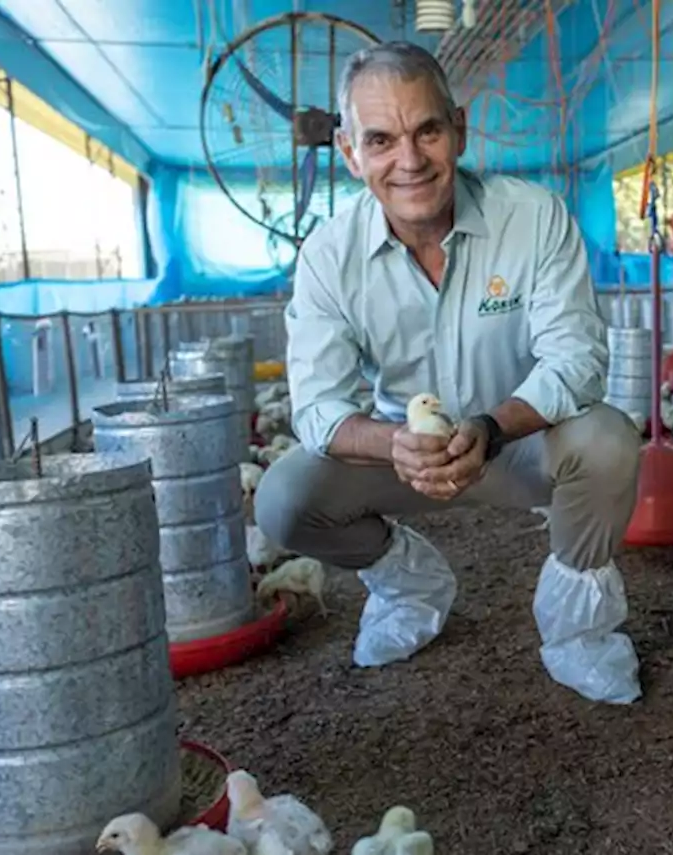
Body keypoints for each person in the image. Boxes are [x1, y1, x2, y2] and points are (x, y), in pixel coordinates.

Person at [254, 41, 643, 705]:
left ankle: (580, 631)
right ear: (350, 153)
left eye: (426, 130)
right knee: (283, 501)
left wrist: (492, 427)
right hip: (405, 459)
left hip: (519, 444)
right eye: (380, 140)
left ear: (458, 130)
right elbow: (318, 405)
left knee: (607, 439)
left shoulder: (533, 217)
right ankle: (411, 585)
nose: (408, 161)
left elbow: (577, 358)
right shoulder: (328, 255)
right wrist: (393, 445)